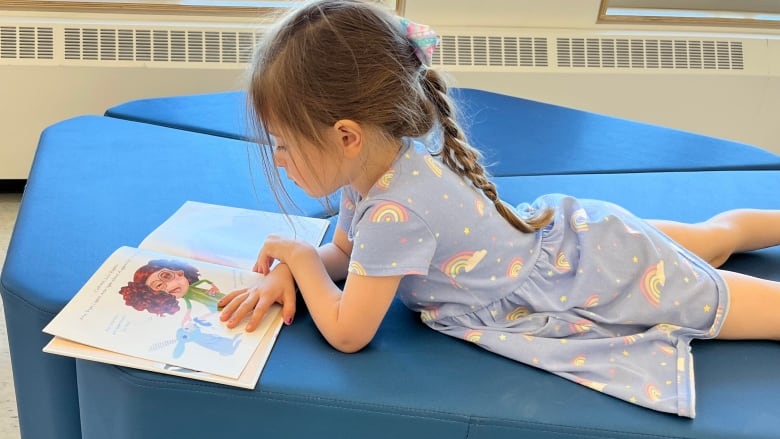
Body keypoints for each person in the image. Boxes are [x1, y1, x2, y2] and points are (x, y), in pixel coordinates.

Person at [217, 0, 780, 417]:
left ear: (346, 136)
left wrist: (299, 258)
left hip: (598, 281)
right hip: (582, 241)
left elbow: (348, 331)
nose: (280, 161)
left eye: (284, 144)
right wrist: (299, 268)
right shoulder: (377, 165)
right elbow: (344, 252)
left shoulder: (394, 213)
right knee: (713, 235)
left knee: (759, 310)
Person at [120, 259, 223, 321]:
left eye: (167, 276)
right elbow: (189, 307)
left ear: (179, 272)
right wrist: (187, 316)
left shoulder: (194, 286)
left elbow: (205, 281)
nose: (170, 286)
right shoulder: (186, 300)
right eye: (159, 286)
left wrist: (214, 288)